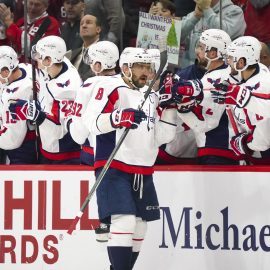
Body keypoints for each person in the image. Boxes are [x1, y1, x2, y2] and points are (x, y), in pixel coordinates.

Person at [82, 47, 177, 270]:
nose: (146, 71)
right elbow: (91, 121)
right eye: (141, 67)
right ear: (126, 68)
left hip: (143, 168)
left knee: (140, 226)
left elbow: (161, 137)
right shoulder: (110, 86)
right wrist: (118, 117)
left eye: (149, 67)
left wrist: (171, 107)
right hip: (113, 164)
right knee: (123, 221)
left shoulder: (152, 96)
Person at [172, 28, 242, 165]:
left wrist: (183, 108)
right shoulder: (233, 74)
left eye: (201, 48)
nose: (197, 51)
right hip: (233, 148)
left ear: (214, 53)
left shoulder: (213, 79)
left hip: (216, 148)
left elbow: (205, 124)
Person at [9, 35, 82, 164]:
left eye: (39, 55)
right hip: (46, 146)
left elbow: (60, 129)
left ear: (48, 60)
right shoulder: (57, 63)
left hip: (63, 155)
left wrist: (36, 114)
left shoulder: (67, 90)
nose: (35, 57)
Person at [211, 36, 270, 164]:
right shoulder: (257, 71)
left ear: (241, 62)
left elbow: (264, 140)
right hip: (256, 155)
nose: (227, 62)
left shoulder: (262, 86)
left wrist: (245, 144)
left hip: (264, 157)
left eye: (231, 58)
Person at [180, 0, 246, 67]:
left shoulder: (235, 11)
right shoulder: (195, 13)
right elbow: (175, 38)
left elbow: (224, 34)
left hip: (220, 71)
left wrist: (207, 10)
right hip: (191, 70)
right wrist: (194, 18)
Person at [0, 46, 37, 164]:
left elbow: (12, 140)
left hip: (21, 149)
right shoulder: (26, 68)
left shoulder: (16, 95)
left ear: (6, 71)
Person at [67, 14, 101, 81]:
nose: (84, 26)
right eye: (81, 24)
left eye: (88, 23)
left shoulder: (104, 51)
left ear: (98, 29)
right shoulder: (71, 54)